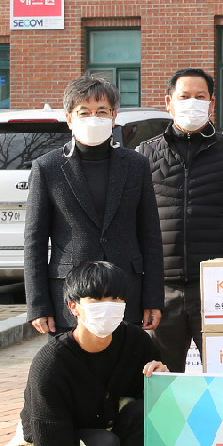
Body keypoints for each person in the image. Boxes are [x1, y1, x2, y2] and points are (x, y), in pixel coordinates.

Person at [2, 260, 169, 446]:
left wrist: (162, 382)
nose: (108, 306)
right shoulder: (51, 364)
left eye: (116, 298)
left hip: (103, 435)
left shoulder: (135, 343)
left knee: (144, 415)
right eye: (97, 299)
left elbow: (149, 407)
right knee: (103, 445)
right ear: (74, 307)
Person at [136, 68, 223, 373]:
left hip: (218, 288)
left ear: (211, 103)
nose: (191, 103)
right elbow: (134, 221)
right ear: (169, 102)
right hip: (162, 290)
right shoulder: (144, 154)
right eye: (184, 97)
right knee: (161, 381)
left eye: (200, 97)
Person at [24, 75, 164, 335]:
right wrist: (38, 305)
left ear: (113, 117)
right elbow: (35, 240)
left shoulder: (135, 165)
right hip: (70, 296)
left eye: (101, 111)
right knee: (72, 372)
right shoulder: (48, 167)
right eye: (84, 112)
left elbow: (151, 236)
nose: (93, 118)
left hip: (125, 293)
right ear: (69, 118)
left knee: (123, 369)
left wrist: (153, 299)